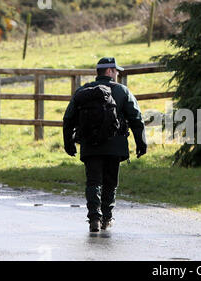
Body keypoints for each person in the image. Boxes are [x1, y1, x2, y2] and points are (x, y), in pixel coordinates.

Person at [63, 57, 147, 232]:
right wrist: (141, 143)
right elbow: (136, 118)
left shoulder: (83, 91)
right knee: (110, 182)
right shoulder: (122, 91)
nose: (117, 74)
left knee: (93, 181)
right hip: (115, 145)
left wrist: (68, 143)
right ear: (109, 71)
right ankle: (107, 218)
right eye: (116, 71)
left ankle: (94, 217)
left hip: (90, 145)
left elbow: (68, 118)